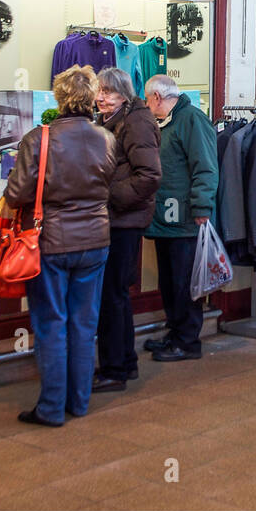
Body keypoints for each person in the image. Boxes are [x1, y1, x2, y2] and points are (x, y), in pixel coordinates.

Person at [4, 65, 117, 426]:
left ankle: (51, 408)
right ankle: (79, 402)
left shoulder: (40, 138)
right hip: (96, 241)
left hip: (50, 242)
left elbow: (17, 193)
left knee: (52, 325)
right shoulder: (106, 139)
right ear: (91, 97)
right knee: (85, 326)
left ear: (59, 97)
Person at [92, 67, 161, 392]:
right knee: (113, 295)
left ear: (123, 93)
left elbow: (149, 175)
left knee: (113, 295)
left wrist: (111, 197)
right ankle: (123, 363)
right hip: (118, 220)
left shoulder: (136, 122)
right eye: (99, 92)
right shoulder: (114, 120)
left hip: (124, 221)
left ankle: (115, 369)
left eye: (108, 92)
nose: (101, 97)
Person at [142, 74, 219, 360]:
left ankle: (187, 341)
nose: (147, 104)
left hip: (186, 220)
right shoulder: (165, 123)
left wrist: (202, 208)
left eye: (147, 99)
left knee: (185, 282)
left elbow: (206, 168)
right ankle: (174, 332)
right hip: (165, 220)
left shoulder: (191, 120)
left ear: (157, 98)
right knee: (170, 282)